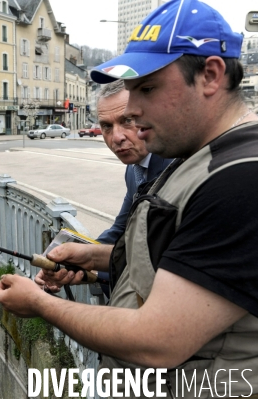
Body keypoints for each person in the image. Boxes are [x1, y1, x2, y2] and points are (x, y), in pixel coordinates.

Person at [0, 0, 258, 396]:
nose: (133, 109)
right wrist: (96, 256)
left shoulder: (249, 177)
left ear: (210, 75)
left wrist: (40, 304)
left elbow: (158, 340)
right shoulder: (203, 158)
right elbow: (184, 255)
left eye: (146, 88)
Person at [35, 80, 172, 295]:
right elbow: (121, 229)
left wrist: (93, 264)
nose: (116, 137)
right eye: (106, 126)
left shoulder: (173, 165)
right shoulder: (134, 168)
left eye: (127, 120)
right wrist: (76, 259)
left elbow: (158, 256)